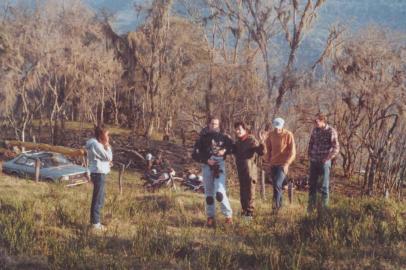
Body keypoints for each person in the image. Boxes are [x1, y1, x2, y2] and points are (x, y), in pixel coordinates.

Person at [192, 116, 234, 226]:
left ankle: (228, 217)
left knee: (220, 192)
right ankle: (210, 217)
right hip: (207, 166)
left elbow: (232, 147)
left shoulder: (224, 137)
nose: (214, 125)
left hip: (219, 166)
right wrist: (206, 160)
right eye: (212, 123)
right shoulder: (202, 138)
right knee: (209, 195)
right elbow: (194, 155)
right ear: (208, 125)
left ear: (219, 125)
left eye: (216, 124)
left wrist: (224, 150)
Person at [307, 113, 339, 212]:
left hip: (324, 162)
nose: (315, 123)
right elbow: (311, 143)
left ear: (322, 121)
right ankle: (311, 208)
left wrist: (328, 158)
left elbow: (336, 148)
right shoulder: (315, 130)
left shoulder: (331, 131)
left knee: (324, 186)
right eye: (314, 122)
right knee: (312, 185)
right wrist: (309, 154)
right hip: (314, 161)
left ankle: (324, 210)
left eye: (317, 121)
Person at [233, 121, 265, 220]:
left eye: (240, 129)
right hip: (241, 171)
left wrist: (262, 142)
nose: (238, 131)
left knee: (250, 192)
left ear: (245, 129)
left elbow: (261, 152)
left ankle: (250, 213)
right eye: (236, 129)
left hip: (250, 171)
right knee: (243, 192)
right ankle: (244, 211)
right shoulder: (237, 142)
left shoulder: (251, 139)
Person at [264, 117, 296, 211]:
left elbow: (293, 152)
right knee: (276, 187)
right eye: (276, 127)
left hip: (283, 164)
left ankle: (275, 209)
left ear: (282, 126)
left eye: (279, 127)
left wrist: (287, 163)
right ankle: (280, 207)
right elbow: (268, 150)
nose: (277, 129)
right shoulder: (271, 135)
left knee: (278, 185)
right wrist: (267, 160)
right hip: (273, 164)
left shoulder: (288, 134)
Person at [85, 125, 113, 231]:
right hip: (98, 173)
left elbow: (103, 159)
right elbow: (108, 157)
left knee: (100, 198)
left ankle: (96, 222)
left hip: (99, 172)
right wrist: (108, 146)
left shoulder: (97, 145)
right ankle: (95, 223)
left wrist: (107, 162)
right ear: (101, 135)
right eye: (107, 135)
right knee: (97, 199)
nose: (108, 137)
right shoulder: (96, 145)